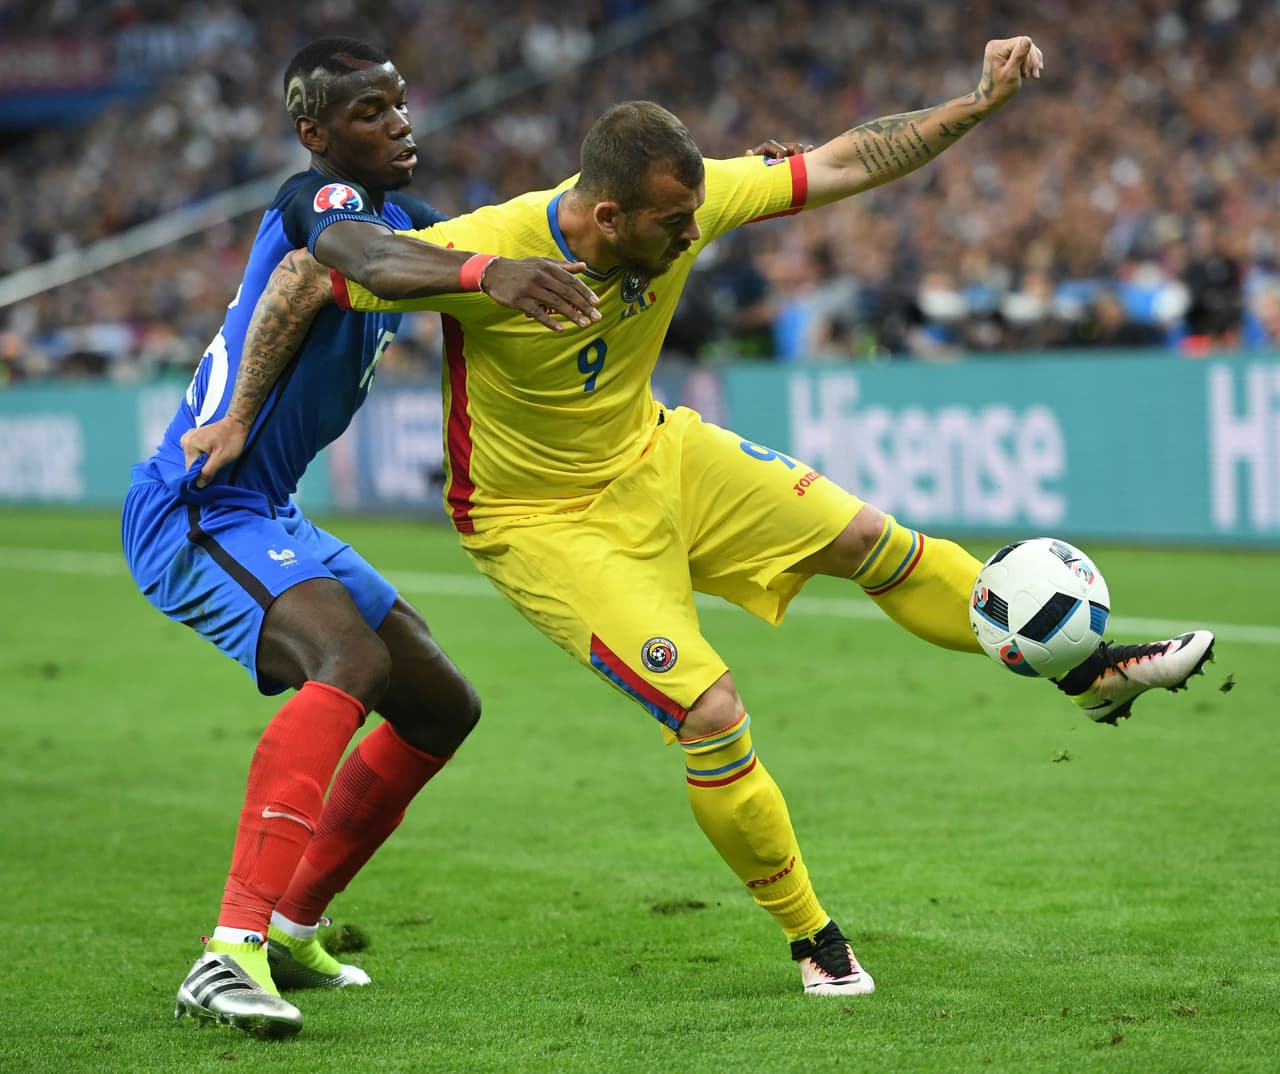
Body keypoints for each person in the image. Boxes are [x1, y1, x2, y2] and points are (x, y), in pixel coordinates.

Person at [234, 35, 1216, 1003]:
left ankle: (1087, 673)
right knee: (709, 716)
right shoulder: (494, 244)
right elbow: (314, 276)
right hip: (539, 521)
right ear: (607, 214)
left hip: (658, 454)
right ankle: (812, 938)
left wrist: (976, 103)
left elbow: (841, 160)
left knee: (871, 542)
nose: (690, 234)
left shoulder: (688, 198)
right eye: (671, 224)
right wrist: (239, 413)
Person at [120, 35, 612, 1041]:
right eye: (370, 114)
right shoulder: (321, 206)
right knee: (344, 658)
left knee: (438, 705)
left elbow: (517, 236)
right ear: (315, 134)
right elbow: (354, 259)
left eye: (399, 106)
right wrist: (488, 275)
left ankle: (295, 922)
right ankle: (230, 950)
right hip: (198, 503)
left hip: (270, 510)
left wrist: (635, 209)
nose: (399, 125)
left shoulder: (409, 223)